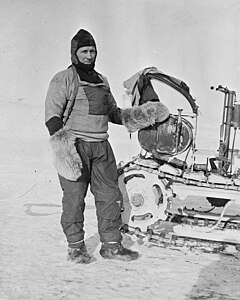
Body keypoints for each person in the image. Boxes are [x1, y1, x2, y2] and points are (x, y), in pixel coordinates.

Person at [45, 29, 169, 264]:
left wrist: (145, 115)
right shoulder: (64, 78)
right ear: (75, 53)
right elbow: (52, 116)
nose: (89, 56)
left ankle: (111, 246)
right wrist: (65, 152)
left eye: (92, 51)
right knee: (74, 199)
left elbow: (112, 112)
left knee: (110, 196)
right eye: (84, 51)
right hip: (76, 147)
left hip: (102, 147)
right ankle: (76, 248)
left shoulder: (102, 81)